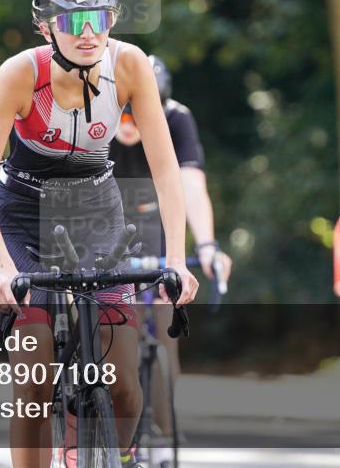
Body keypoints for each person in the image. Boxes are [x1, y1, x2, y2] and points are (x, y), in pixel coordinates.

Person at [0, 0, 199, 468]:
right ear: (46, 26)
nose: (89, 34)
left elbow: (167, 172)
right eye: (73, 21)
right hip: (22, 214)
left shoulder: (131, 65)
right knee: (33, 375)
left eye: (100, 18)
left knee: (123, 385)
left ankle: (120, 458)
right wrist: (3, 266)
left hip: (95, 209)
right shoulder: (20, 74)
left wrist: (178, 261)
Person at [109, 54, 233, 434]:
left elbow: (191, 185)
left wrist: (208, 245)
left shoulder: (176, 119)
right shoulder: (92, 119)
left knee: (166, 341)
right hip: (103, 225)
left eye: (139, 116)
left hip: (157, 228)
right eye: (122, 116)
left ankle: (163, 437)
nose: (129, 126)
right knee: (110, 337)